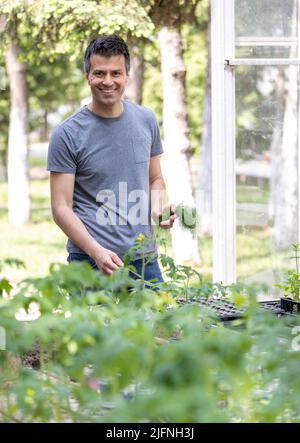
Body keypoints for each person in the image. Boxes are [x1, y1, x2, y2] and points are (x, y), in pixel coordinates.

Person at [47, 35, 175, 284]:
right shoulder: (67, 133)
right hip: (89, 261)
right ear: (88, 77)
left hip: (143, 258)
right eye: (99, 73)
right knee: (92, 325)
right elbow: (60, 207)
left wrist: (159, 208)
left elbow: (155, 178)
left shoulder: (146, 120)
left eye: (116, 73)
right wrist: (96, 252)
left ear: (127, 75)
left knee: (158, 324)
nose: (108, 81)